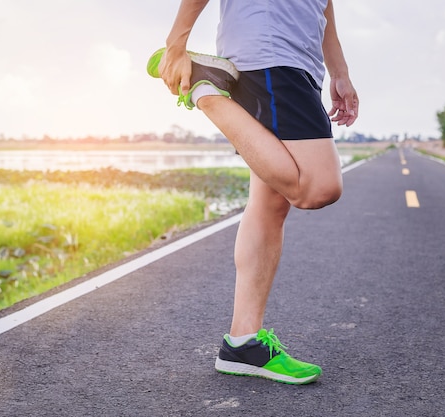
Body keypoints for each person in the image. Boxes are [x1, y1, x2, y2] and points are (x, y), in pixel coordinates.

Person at [147, 0, 359, 384]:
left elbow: (323, 7)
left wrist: (338, 73)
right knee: (319, 186)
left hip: (297, 63)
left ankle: (242, 343)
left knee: (270, 201)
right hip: (270, 55)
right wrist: (176, 44)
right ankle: (204, 91)